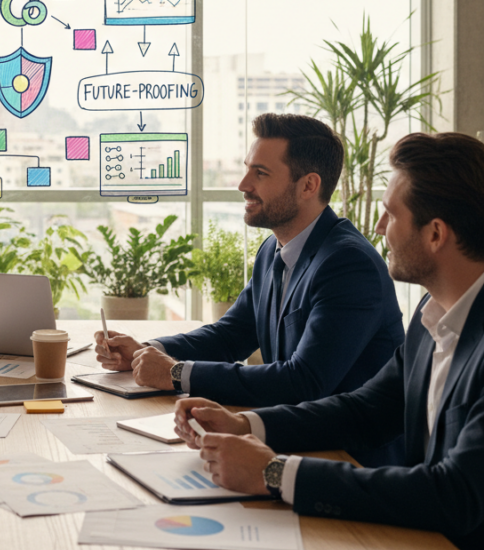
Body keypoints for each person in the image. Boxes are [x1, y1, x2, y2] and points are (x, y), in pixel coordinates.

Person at [174, 131, 484, 550]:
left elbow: (456, 495)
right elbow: (366, 410)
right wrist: (245, 425)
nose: (378, 228)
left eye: (390, 215)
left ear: (435, 234)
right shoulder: (433, 316)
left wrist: (274, 472)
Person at [94, 114, 404, 462]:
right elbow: (232, 335)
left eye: (261, 173)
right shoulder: (275, 248)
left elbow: (304, 381)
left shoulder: (348, 264)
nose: (243, 184)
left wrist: (176, 373)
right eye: (247, 169)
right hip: (292, 441)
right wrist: (145, 351)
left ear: (308, 186)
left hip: (349, 459)